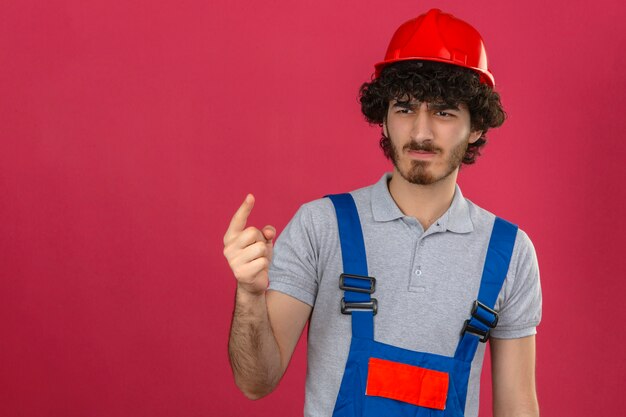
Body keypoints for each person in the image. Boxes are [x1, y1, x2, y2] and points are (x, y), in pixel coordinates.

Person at [223, 8, 542, 417]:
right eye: (405, 109)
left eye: (444, 112)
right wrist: (250, 295)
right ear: (385, 119)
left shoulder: (510, 253)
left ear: (476, 125)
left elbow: (517, 406)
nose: (421, 132)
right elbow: (255, 382)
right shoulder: (322, 226)